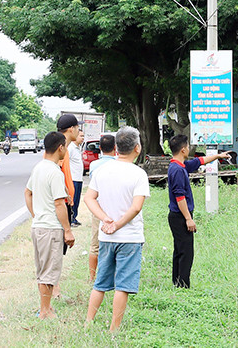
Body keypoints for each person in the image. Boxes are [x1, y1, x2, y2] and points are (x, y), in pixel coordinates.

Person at [84, 127, 149, 332]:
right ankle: (114, 329)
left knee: (100, 282)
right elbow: (136, 207)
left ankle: (88, 322)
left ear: (116, 147)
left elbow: (89, 198)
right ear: (137, 148)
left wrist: (105, 220)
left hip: (106, 237)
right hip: (129, 237)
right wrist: (118, 225)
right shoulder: (138, 174)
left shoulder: (102, 171)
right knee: (123, 285)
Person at [166, 134, 229, 288]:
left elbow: (199, 161)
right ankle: (183, 285)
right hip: (180, 216)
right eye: (187, 146)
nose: (189, 149)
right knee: (186, 252)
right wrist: (188, 218)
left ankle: (177, 282)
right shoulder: (178, 170)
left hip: (177, 216)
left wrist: (218, 156)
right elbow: (180, 197)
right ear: (183, 150)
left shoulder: (179, 165)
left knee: (180, 250)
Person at [24, 131, 75, 319]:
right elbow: (59, 203)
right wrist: (67, 230)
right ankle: (45, 311)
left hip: (38, 227)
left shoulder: (38, 167)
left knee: (42, 270)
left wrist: (35, 214)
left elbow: (27, 193)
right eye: (65, 147)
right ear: (60, 147)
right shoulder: (54, 171)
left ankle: (46, 307)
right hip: (51, 228)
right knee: (49, 271)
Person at [53, 114, 80, 299]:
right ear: (71, 129)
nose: (79, 131)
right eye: (78, 127)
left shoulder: (66, 147)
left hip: (65, 201)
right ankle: (54, 292)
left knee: (59, 249)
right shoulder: (61, 148)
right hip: (59, 203)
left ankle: (55, 289)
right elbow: (55, 171)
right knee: (55, 249)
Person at [86, 134, 117, 282]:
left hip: (97, 208)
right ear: (115, 148)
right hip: (116, 207)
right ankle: (113, 275)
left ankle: (93, 277)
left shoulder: (94, 165)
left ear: (100, 148)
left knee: (95, 244)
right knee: (116, 242)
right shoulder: (119, 164)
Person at [68, 131, 85, 227]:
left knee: (77, 199)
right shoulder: (70, 147)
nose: (82, 138)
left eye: (83, 136)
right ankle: (71, 219)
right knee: (73, 200)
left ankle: (74, 217)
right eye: (81, 136)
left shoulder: (78, 148)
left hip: (79, 178)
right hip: (73, 178)